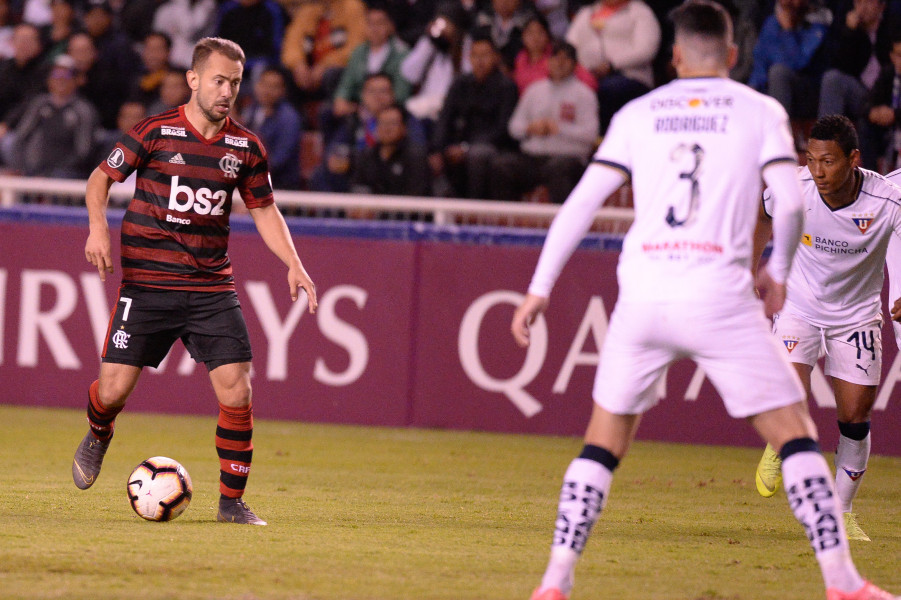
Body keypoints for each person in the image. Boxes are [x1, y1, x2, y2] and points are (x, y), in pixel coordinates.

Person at [510, 3, 899, 600]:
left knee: (603, 442)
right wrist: (777, 270)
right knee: (794, 435)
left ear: (674, 56)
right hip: (718, 293)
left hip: (644, 292)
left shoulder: (639, 112)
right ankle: (844, 583)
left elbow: (582, 204)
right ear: (734, 55)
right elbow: (789, 203)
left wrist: (539, 288)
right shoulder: (759, 110)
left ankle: (554, 582)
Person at [71, 37, 318, 527]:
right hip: (146, 286)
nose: (227, 91)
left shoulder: (245, 148)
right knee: (113, 390)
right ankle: (99, 433)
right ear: (194, 79)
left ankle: (231, 503)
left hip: (209, 288)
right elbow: (100, 179)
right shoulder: (155, 131)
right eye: (219, 80)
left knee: (237, 390)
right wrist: (97, 226)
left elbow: (265, 211)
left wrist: (294, 262)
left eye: (235, 82)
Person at [752, 115, 901, 544]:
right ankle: (780, 445)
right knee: (789, 394)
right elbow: (760, 213)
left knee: (854, 418)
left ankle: (841, 511)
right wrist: (749, 267)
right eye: (812, 159)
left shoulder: (886, 201)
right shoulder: (794, 187)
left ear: (853, 159)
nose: (819, 171)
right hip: (799, 306)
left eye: (829, 161)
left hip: (855, 316)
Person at [494, 40, 598, 203]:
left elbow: (591, 134)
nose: (560, 63)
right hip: (534, 157)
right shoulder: (534, 90)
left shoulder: (584, 94)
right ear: (548, 62)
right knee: (502, 165)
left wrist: (559, 129)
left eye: (565, 59)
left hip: (568, 158)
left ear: (574, 65)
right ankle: (505, 222)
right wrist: (530, 128)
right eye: (556, 58)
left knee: (558, 168)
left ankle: (561, 224)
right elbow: (514, 127)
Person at [429, 34, 518, 199]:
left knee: (478, 155)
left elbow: (503, 129)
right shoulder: (460, 83)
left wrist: (465, 148)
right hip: (457, 143)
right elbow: (445, 118)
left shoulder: (506, 87)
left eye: (485, 55)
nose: (480, 60)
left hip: (491, 146)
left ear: (496, 58)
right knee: (428, 155)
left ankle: (473, 209)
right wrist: (438, 148)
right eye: (475, 55)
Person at [565, 0, 661, 133]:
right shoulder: (586, 13)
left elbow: (647, 49)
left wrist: (612, 65)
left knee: (608, 89)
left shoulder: (639, 12)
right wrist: (582, 70)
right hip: (586, 76)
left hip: (629, 76)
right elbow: (569, 46)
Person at [0, 54, 99, 178]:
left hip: (66, 173)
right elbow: (21, 137)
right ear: (48, 80)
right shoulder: (40, 104)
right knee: (9, 145)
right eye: (55, 75)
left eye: (66, 75)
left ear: (76, 80)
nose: (60, 80)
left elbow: (83, 152)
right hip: (34, 168)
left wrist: (50, 174)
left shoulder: (83, 110)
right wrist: (23, 168)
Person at [748, 0, 830, 121]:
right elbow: (760, 62)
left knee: (778, 73)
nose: (787, 3)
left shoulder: (817, 25)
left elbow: (798, 63)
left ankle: (780, 134)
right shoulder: (772, 23)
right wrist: (750, 91)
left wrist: (788, 31)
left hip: (806, 92)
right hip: (772, 91)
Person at [350, 103, 431, 197]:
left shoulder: (416, 157)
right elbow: (357, 187)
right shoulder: (366, 155)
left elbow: (416, 195)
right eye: (382, 123)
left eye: (392, 123)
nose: (387, 129)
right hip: (370, 210)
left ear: (404, 128)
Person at [242, 65, 303, 189]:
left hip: (280, 186)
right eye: (264, 84)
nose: (267, 90)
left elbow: (278, 160)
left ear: (283, 90)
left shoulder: (289, 118)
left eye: (273, 86)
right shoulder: (251, 110)